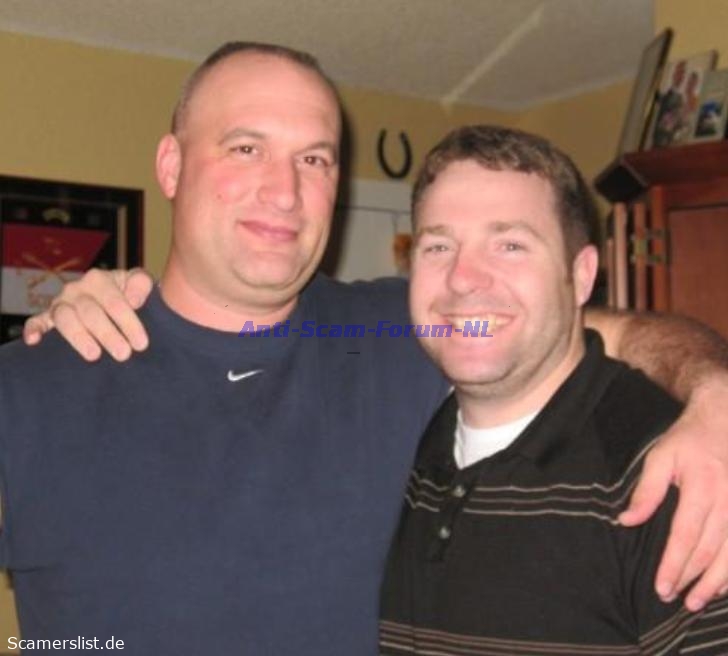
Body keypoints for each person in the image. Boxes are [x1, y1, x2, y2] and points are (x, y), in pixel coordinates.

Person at [10, 41, 728, 653]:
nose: (284, 190)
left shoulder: (399, 330)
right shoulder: (34, 385)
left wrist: (714, 393)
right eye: (246, 148)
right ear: (171, 166)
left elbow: (590, 331)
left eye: (314, 159)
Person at [380, 125, 728, 654]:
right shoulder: (411, 429)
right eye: (439, 245)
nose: (462, 277)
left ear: (581, 275)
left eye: (510, 244)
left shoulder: (675, 477)